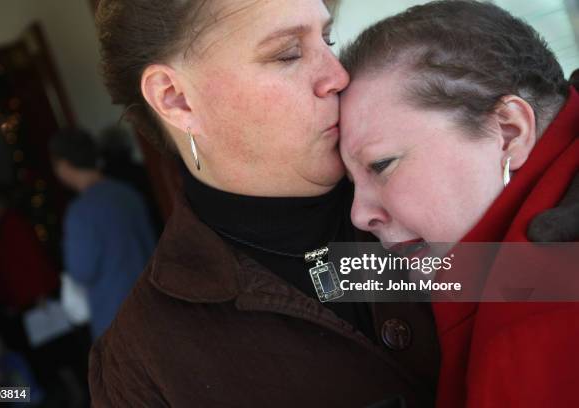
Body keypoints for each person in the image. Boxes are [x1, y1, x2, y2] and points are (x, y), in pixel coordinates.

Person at [91, 0, 577, 406]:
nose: (337, 74)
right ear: (175, 98)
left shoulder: (429, 170)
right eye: (286, 54)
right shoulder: (146, 359)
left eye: (327, 39)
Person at [338, 1, 579, 407]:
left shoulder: (538, 330)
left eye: (382, 165)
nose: (359, 215)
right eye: (349, 185)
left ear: (508, 132)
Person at [49, 128, 156, 340]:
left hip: (115, 314)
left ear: (63, 165)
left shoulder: (80, 212)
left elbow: (81, 271)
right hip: (153, 302)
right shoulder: (127, 193)